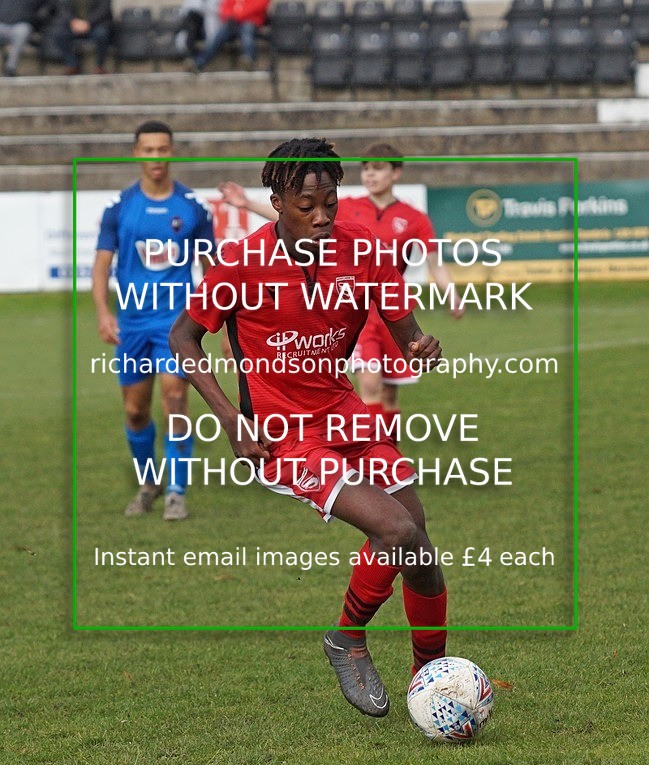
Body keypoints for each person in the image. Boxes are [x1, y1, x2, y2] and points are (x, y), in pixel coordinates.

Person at [169, 138, 448, 717]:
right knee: (395, 530)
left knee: (419, 545)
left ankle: (433, 679)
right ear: (276, 201)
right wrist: (230, 418)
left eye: (330, 203)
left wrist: (419, 348)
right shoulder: (241, 263)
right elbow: (183, 338)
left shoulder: (366, 250)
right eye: (306, 205)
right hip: (281, 433)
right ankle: (346, 637)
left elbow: (406, 334)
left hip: (345, 412)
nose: (321, 217)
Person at [219, 141, 463, 438]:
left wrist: (452, 295)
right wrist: (247, 205)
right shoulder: (346, 207)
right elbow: (295, 219)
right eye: (365, 168)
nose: (370, 175)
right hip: (356, 311)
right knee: (370, 384)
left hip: (392, 314)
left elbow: (434, 263)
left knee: (388, 393)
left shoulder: (414, 219)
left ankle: (385, 450)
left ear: (396, 173)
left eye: (378, 168)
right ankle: (372, 449)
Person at [92, 120, 216, 521]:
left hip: (175, 324)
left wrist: (220, 320)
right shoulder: (120, 207)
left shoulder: (193, 207)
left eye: (163, 149)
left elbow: (211, 267)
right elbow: (100, 267)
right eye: (148, 150)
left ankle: (177, 491)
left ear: (171, 151)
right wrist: (104, 313)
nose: (156, 157)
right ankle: (150, 483)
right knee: (134, 412)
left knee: (176, 399)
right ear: (137, 153)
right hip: (132, 324)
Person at [185, 0, 269, 72]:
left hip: (251, 21)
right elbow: (225, 8)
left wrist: (236, 16)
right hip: (234, 23)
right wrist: (229, 17)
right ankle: (198, 63)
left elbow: (258, 6)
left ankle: (249, 60)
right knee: (218, 37)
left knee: (247, 33)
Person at [53, 0, 113, 75]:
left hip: (95, 25)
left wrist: (88, 23)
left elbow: (104, 10)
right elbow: (63, 9)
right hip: (74, 25)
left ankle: (99, 66)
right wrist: (73, 21)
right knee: (58, 34)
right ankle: (72, 64)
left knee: (102, 34)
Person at [0, 0, 54, 77]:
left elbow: (49, 7)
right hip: (2, 25)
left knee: (23, 30)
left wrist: (37, 21)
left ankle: (10, 68)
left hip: (22, 26)